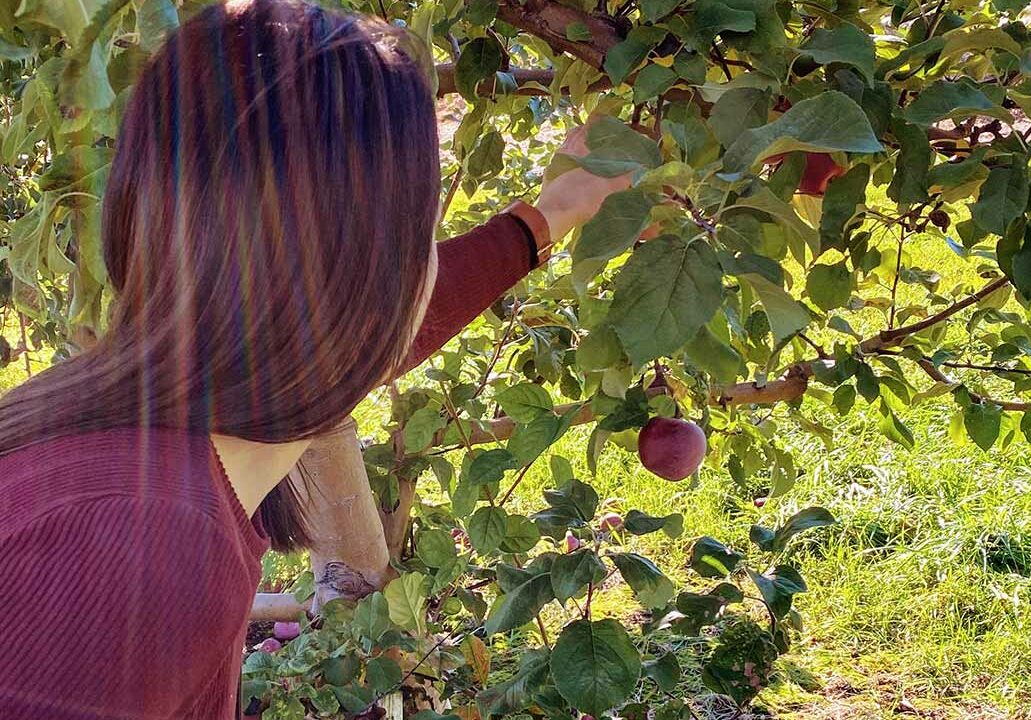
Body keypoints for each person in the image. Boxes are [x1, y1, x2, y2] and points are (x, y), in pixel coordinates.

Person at [0, 1, 629, 717]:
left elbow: (359, 334)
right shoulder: (137, 546)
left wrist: (544, 220)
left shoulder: (131, 420)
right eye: (421, 235)